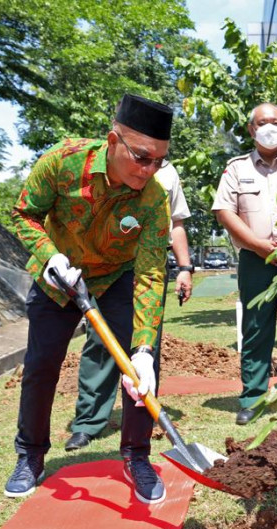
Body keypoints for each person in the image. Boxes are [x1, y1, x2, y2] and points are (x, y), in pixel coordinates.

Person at [5, 93, 173, 504]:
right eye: (142, 157)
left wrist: (146, 348)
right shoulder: (63, 161)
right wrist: (51, 257)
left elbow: (151, 271)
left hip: (117, 277)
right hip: (58, 277)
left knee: (137, 372)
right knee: (41, 366)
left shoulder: (153, 198)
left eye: (159, 162)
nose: (149, 170)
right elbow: (23, 214)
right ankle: (31, 454)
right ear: (114, 142)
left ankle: (137, 455)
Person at [63, 161, 195, 452]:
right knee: (100, 342)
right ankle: (87, 422)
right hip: (109, 268)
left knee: (146, 347)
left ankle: (142, 422)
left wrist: (185, 267)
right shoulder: (111, 165)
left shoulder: (169, 173)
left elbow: (177, 224)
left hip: (149, 269)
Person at [211, 102, 277, 425]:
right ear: (251, 130)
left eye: (275, 122)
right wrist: (258, 245)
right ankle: (252, 398)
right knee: (255, 330)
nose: (269, 127)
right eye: (262, 122)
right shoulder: (237, 169)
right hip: (255, 261)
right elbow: (224, 211)